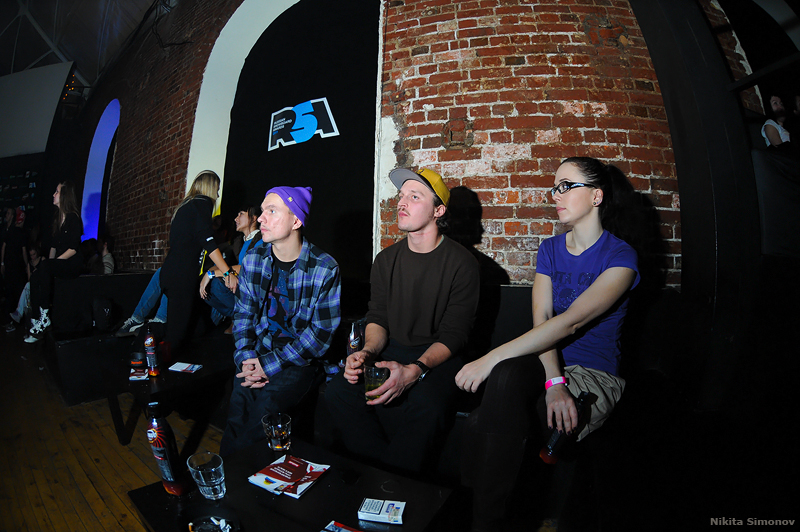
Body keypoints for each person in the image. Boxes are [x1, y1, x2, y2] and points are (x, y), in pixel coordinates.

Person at [455, 157, 641, 531]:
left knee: (484, 419)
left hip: (593, 373)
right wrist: (554, 382)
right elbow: (542, 321)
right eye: (555, 187)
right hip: (548, 362)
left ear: (597, 196)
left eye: (566, 186)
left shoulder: (621, 256)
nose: (555, 195)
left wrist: (488, 359)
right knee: (507, 377)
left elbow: (570, 322)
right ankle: (485, 524)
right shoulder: (550, 249)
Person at [324, 168, 480, 475]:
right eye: (401, 195)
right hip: (391, 349)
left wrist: (415, 370)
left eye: (414, 196)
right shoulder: (386, 259)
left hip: (438, 357)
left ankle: (393, 485)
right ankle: (381, 476)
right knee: (338, 392)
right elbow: (378, 317)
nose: (401, 202)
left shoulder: (463, 264)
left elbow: (454, 335)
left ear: (438, 211)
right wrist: (367, 352)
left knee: (428, 406)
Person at [219, 186, 341, 456]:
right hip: (260, 352)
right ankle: (227, 478)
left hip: (300, 360)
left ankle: (242, 478)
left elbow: (319, 337)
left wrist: (267, 365)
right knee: (237, 412)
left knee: (264, 412)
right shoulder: (254, 258)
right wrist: (247, 357)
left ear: (295, 221)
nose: (261, 218)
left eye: (272, 211)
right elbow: (243, 314)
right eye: (263, 211)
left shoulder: (324, 268)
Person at [159, 170, 235, 353]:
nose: (217, 195)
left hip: (173, 273)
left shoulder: (187, 206)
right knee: (175, 336)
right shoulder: (202, 204)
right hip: (181, 277)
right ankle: (153, 360)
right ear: (209, 188)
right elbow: (209, 245)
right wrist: (228, 273)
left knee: (197, 328)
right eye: (217, 189)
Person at [26, 182, 85, 343]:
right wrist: (48, 267)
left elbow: (73, 249)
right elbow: (53, 247)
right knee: (36, 275)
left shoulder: (73, 218)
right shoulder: (58, 219)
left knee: (45, 266)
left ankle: (45, 317)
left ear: (64, 196)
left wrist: (52, 264)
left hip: (72, 263)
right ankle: (36, 319)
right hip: (60, 262)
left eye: (57, 192)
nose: (53, 194)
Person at [200, 206, 263, 331]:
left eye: (241, 214)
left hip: (253, 291)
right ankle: (238, 317)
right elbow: (225, 264)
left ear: (254, 218)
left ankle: (246, 316)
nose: (236, 219)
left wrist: (211, 274)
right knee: (205, 289)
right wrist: (208, 273)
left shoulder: (260, 241)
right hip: (239, 287)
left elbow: (246, 268)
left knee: (216, 284)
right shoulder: (240, 242)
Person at [6, 243, 42, 333]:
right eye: (31, 255)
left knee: (27, 287)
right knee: (28, 287)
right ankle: (26, 321)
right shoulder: (30, 264)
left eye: (34, 254)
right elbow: (30, 278)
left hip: (41, 284)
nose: (33, 257)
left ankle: (19, 312)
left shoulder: (42, 260)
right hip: (33, 285)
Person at [2, 208, 28, 324]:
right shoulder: (21, 233)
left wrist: (2, 263)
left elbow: (3, 247)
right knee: (18, 292)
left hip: (9, 266)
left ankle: (8, 319)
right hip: (17, 267)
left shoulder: (10, 231)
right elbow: (24, 252)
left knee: (9, 293)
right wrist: (27, 265)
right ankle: (17, 318)